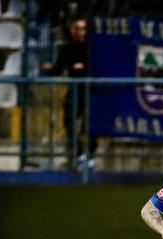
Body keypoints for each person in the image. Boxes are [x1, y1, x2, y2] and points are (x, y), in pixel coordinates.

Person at [42, 17, 97, 169]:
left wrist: (84, 66)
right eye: (78, 29)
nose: (81, 32)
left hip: (91, 90)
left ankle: (91, 155)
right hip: (74, 90)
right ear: (72, 30)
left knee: (91, 124)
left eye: (84, 29)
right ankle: (79, 153)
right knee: (69, 122)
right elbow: (59, 68)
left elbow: (97, 68)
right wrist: (49, 68)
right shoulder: (66, 49)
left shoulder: (93, 48)